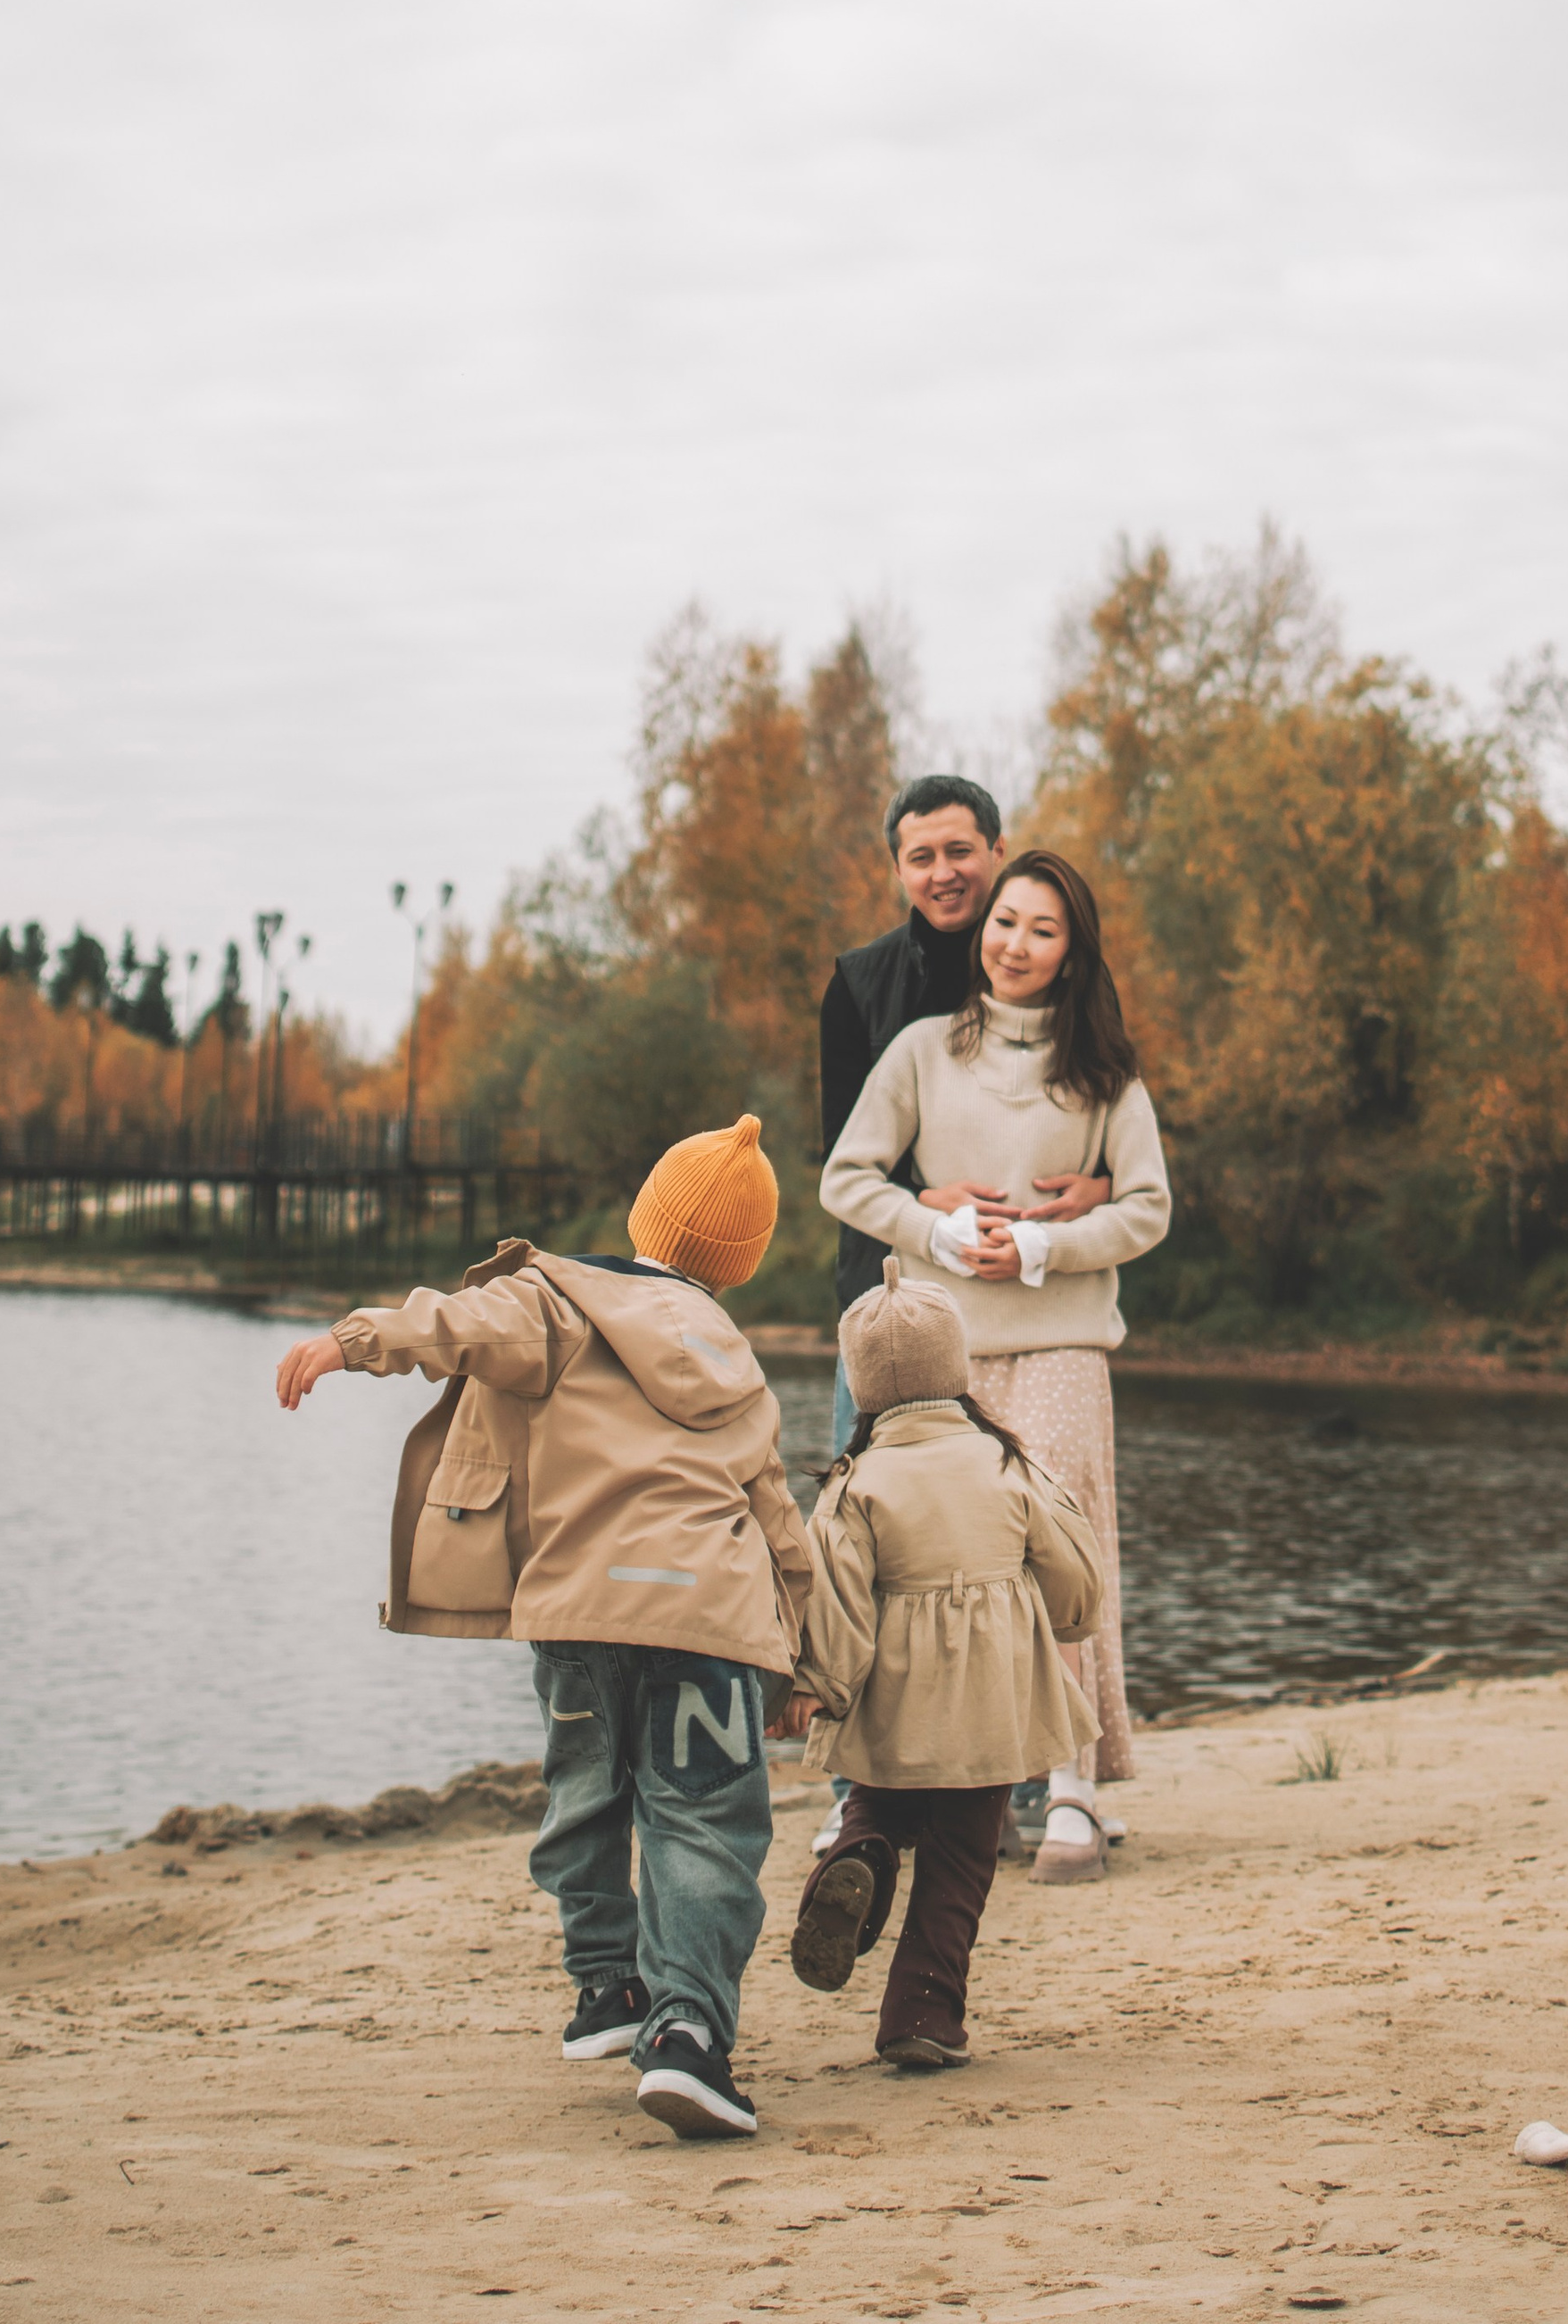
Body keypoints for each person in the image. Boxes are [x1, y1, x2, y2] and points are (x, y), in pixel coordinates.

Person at [272, 1114, 812, 2145]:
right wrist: (806, 1664)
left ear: (640, 1215)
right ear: (740, 1265)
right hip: (709, 1619)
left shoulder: (561, 1302)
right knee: (704, 1821)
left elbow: (457, 1327)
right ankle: (688, 2032)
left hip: (581, 1611)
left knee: (583, 1795)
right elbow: (779, 1523)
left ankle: (606, 1987)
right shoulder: (737, 1361)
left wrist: (349, 1341)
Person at [818, 852, 1168, 1883]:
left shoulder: (1105, 1074)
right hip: (946, 1351)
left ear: (1072, 952)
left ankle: (1072, 1788)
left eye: (1041, 929)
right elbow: (848, 1178)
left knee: (1061, 1548)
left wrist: (1047, 1247)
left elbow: (1147, 1209)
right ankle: (954, 1791)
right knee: (948, 1563)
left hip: (1063, 1340)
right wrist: (939, 1226)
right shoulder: (924, 1051)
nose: (1014, 943)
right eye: (1004, 922)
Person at [778, 1257, 1104, 2068]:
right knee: (962, 1859)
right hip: (991, 1698)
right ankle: (921, 2012)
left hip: (895, 1698)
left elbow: (840, 1610)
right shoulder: (1008, 1466)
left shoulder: (854, 1485)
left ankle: (857, 1856)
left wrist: (816, 1690)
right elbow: (1072, 1575)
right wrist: (1071, 1620)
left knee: (878, 1805)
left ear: (863, 1386)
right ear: (956, 1369)